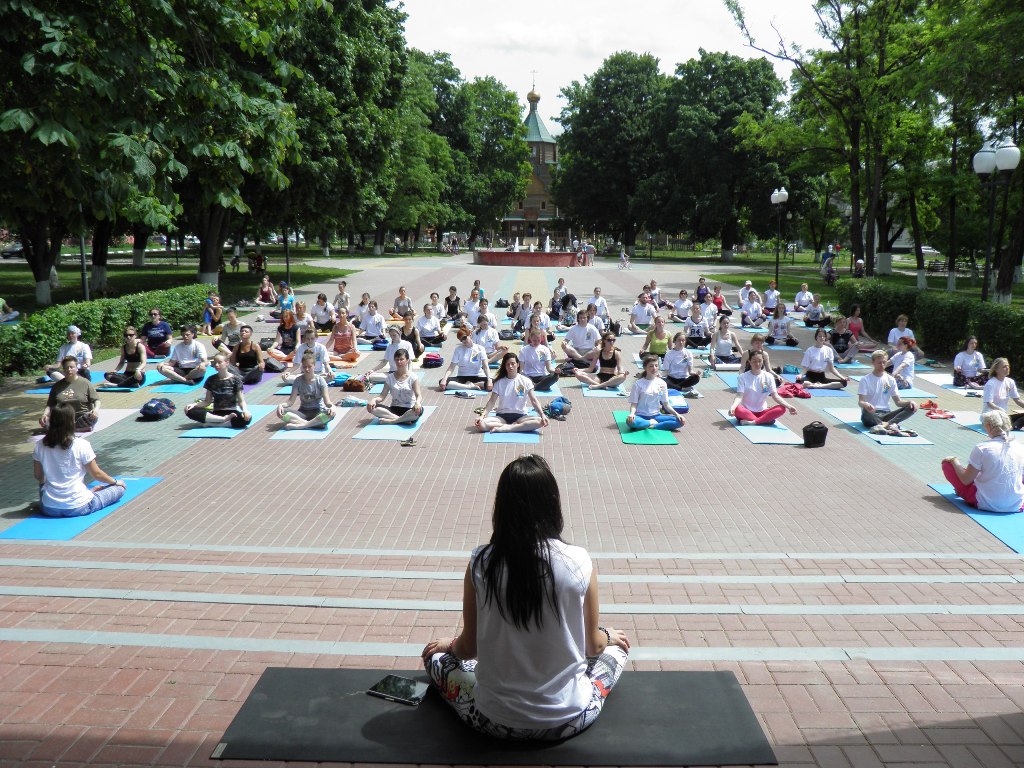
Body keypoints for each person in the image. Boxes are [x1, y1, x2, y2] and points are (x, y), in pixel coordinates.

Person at [422, 455, 629, 741]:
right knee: (617, 650)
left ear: (501, 507)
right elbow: (593, 646)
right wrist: (607, 634)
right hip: (570, 718)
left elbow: (468, 649)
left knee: (438, 658)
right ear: (553, 504)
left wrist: (449, 644)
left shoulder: (481, 562)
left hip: (492, 720)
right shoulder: (579, 560)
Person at [33, 403, 125, 517]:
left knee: (44, 487)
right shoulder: (81, 444)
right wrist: (116, 482)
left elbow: (38, 476)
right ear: (72, 421)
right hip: (79, 506)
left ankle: (82, 494)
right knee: (120, 489)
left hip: (49, 508)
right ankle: (88, 495)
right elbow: (97, 474)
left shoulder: (39, 445)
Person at [942, 410, 1024, 512]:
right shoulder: (1021, 447)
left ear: (988, 426)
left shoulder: (982, 448)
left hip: (985, 503)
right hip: (1016, 504)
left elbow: (966, 480)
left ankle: (963, 491)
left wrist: (954, 461)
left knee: (947, 464)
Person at [475, 354, 549, 433]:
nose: (510, 366)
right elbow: (492, 401)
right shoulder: (499, 382)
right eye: (507, 364)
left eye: (513, 363)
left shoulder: (526, 380)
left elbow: (534, 400)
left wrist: (542, 414)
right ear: (505, 366)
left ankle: (507, 428)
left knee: (541, 421)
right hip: (502, 416)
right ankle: (513, 427)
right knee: (481, 424)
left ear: (517, 364)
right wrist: (482, 416)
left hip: (521, 416)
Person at [183, 353, 252, 429]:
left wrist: (245, 411)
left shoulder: (236, 380)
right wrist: (194, 405)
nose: (216, 365)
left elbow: (241, 401)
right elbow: (207, 402)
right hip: (216, 414)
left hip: (232, 412)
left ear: (227, 363)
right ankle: (223, 420)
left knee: (247, 419)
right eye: (215, 362)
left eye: (219, 362)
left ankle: (218, 424)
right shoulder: (211, 379)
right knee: (189, 410)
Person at [858, 350, 918, 435]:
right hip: (871, 414)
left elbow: (898, 402)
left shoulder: (891, 379)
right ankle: (890, 427)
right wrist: (866, 405)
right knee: (866, 412)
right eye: (879, 363)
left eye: (884, 362)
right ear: (873, 362)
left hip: (886, 415)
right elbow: (861, 402)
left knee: (911, 407)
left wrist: (910, 402)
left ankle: (885, 426)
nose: (882, 365)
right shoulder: (865, 380)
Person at [728, 351, 796, 426]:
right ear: (749, 362)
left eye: (760, 361)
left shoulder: (768, 377)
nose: (757, 364)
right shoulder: (742, 377)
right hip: (747, 411)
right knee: (738, 409)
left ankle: (754, 422)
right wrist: (733, 407)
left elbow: (775, 396)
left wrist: (789, 406)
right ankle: (764, 420)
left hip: (762, 411)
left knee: (782, 408)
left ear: (763, 361)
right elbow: (739, 396)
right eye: (754, 361)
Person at [275, 351, 336, 430]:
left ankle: (301, 425)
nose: (307, 369)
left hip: (318, 411)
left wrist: (333, 407)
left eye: (309, 366)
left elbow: (327, 402)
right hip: (303, 412)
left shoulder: (320, 380)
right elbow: (290, 402)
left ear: (314, 366)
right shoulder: (298, 380)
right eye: (304, 367)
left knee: (331, 414)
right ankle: (314, 424)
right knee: (281, 412)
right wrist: (281, 405)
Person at [40, 357, 100, 431]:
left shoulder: (85, 382)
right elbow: (50, 405)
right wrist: (44, 415)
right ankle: (75, 428)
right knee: (46, 422)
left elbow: (96, 400)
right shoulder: (57, 386)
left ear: (76, 368)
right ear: (63, 370)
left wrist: (96, 409)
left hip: (82, 417)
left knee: (91, 418)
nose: (69, 370)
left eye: (71, 367)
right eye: (66, 368)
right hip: (64, 417)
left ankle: (66, 429)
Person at [626, 356, 685, 431]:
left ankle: (654, 426)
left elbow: (666, 404)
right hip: (641, 416)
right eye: (651, 366)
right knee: (630, 422)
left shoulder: (662, 383)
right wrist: (631, 414)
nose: (654, 368)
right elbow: (634, 404)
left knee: (681, 421)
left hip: (656, 416)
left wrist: (677, 414)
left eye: (656, 365)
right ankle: (650, 422)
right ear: (645, 367)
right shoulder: (638, 384)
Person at [367, 348, 423, 424]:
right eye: (397, 360)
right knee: (372, 407)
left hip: (409, 409)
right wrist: (374, 400)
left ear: (407, 360)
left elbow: (418, 395)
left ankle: (393, 421)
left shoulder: (413, 377)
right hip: (394, 409)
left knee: (419, 410)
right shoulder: (389, 378)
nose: (399, 362)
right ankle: (403, 420)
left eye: (401, 359)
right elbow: (382, 396)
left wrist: (418, 403)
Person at [982, 358, 1024, 430]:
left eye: (1008, 366)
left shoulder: (1010, 382)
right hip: (991, 416)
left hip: (1003, 416)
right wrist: (1000, 410)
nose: (1007, 368)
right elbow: (989, 403)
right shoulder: (991, 383)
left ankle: (1010, 426)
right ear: (996, 369)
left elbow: (1017, 400)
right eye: (1004, 366)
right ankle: (1010, 427)